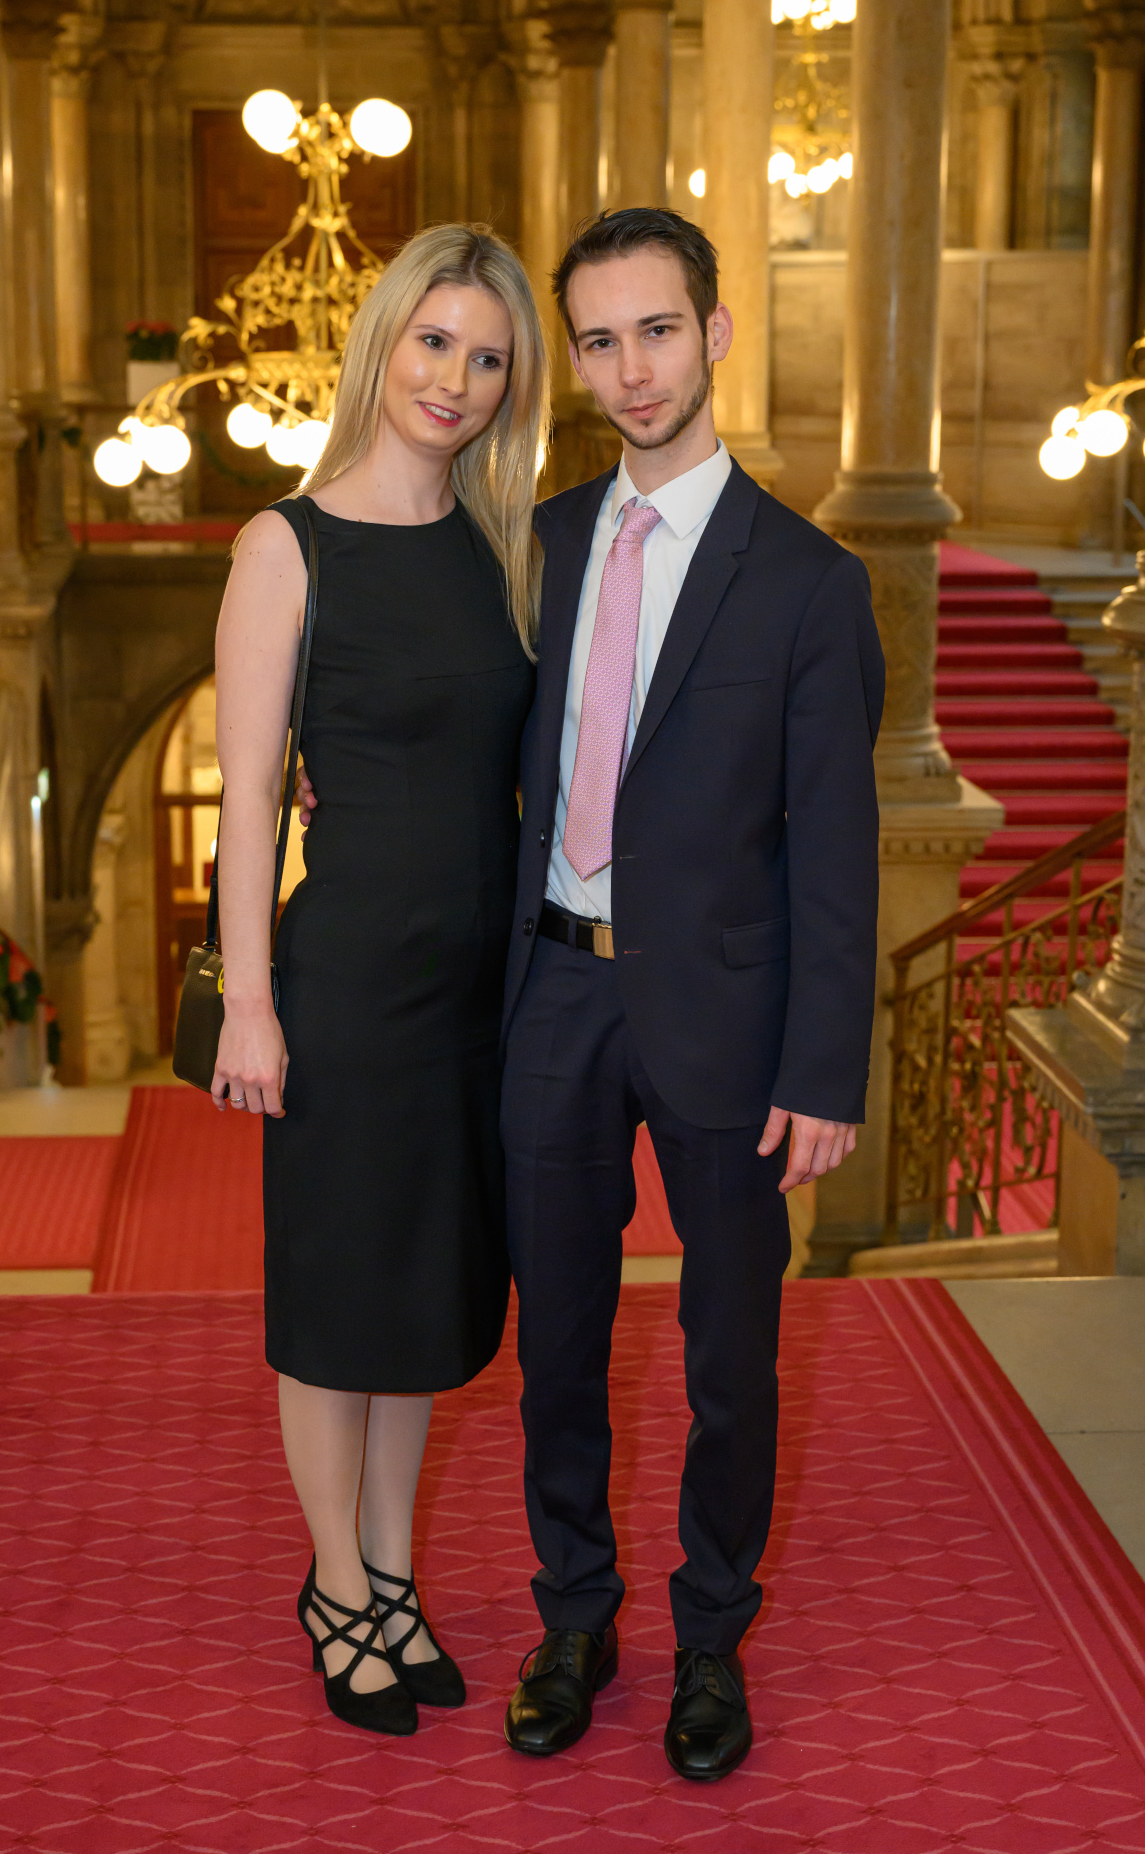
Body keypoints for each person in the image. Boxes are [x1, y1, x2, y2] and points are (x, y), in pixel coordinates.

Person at [499, 207, 885, 1780]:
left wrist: (824, 1068)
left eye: (657, 330)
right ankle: (573, 1616)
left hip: (729, 1020)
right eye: (599, 341)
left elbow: (834, 847)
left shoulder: (806, 581)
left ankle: (710, 1636)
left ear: (714, 334)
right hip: (552, 994)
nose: (632, 368)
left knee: (728, 1359)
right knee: (555, 1343)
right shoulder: (535, 543)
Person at [211, 224, 549, 1738]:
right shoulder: (286, 548)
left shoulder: (505, 548)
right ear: (382, 341)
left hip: (480, 998)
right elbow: (247, 801)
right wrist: (250, 1002)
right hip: (344, 989)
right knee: (340, 1297)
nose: (455, 380)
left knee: (425, 1299)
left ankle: (395, 1574)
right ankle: (336, 1585)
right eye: (434, 342)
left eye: (487, 358)